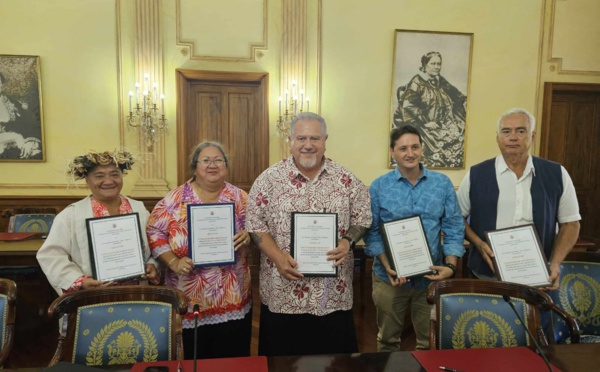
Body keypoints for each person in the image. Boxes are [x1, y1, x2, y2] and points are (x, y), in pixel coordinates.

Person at [246, 112, 372, 357]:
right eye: (301, 138)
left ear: (325, 140)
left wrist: (347, 242)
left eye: (315, 138)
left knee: (334, 364)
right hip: (283, 294)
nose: (308, 145)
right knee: (283, 365)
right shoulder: (269, 180)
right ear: (290, 140)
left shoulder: (346, 180)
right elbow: (255, 224)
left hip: (332, 294)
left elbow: (363, 217)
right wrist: (277, 257)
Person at [146, 141, 252, 359]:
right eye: (205, 160)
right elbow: (154, 231)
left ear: (226, 166)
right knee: (195, 355)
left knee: (231, 356)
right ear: (195, 167)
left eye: (218, 160)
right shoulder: (174, 200)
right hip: (189, 293)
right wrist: (173, 262)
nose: (212, 165)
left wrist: (249, 236)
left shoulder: (241, 198)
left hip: (232, 293)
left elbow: (258, 228)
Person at [364, 125, 464, 351]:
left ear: (422, 148)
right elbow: (371, 231)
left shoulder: (442, 183)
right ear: (392, 152)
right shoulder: (379, 186)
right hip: (389, 278)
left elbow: (454, 226)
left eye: (415, 147)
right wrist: (388, 265)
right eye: (403, 148)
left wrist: (450, 266)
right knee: (387, 341)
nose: (410, 153)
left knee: (429, 342)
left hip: (430, 276)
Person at [457, 108, 581, 289]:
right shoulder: (476, 174)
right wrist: (479, 244)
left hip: (538, 277)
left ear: (532, 136)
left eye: (520, 131)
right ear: (498, 137)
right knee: (488, 318)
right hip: (486, 275)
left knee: (535, 318)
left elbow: (571, 224)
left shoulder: (557, 173)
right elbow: (456, 217)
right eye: (506, 131)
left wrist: (554, 263)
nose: (513, 137)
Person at [37, 150, 159, 296]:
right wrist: (80, 281)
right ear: (87, 180)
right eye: (99, 176)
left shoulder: (139, 209)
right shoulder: (71, 215)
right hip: (93, 297)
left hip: (136, 293)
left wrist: (152, 264)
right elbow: (51, 255)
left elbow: (155, 245)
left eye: (115, 174)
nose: (108, 181)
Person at [393, 51, 467, 168]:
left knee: (460, 135)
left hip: (439, 121)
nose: (436, 67)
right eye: (433, 64)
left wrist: (466, 100)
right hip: (419, 123)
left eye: (439, 64)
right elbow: (408, 106)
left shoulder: (439, 80)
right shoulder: (417, 82)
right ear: (425, 65)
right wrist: (425, 122)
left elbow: (455, 93)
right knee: (442, 144)